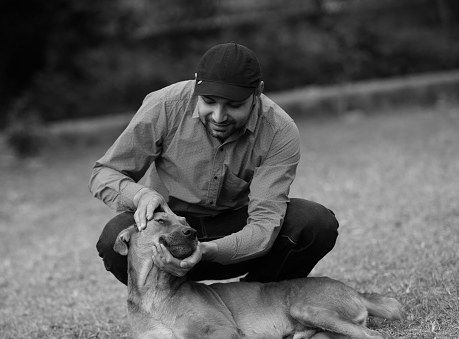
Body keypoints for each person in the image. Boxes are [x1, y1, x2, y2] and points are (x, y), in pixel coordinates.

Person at [89, 42, 339, 285]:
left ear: (258, 91)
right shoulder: (165, 106)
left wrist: (206, 250)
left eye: (234, 105)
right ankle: (169, 299)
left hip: (235, 232)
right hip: (170, 229)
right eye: (209, 101)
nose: (219, 116)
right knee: (114, 237)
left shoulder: (279, 130)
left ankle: (255, 298)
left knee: (315, 223)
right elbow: (105, 172)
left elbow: (264, 225)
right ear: (197, 85)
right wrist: (140, 195)